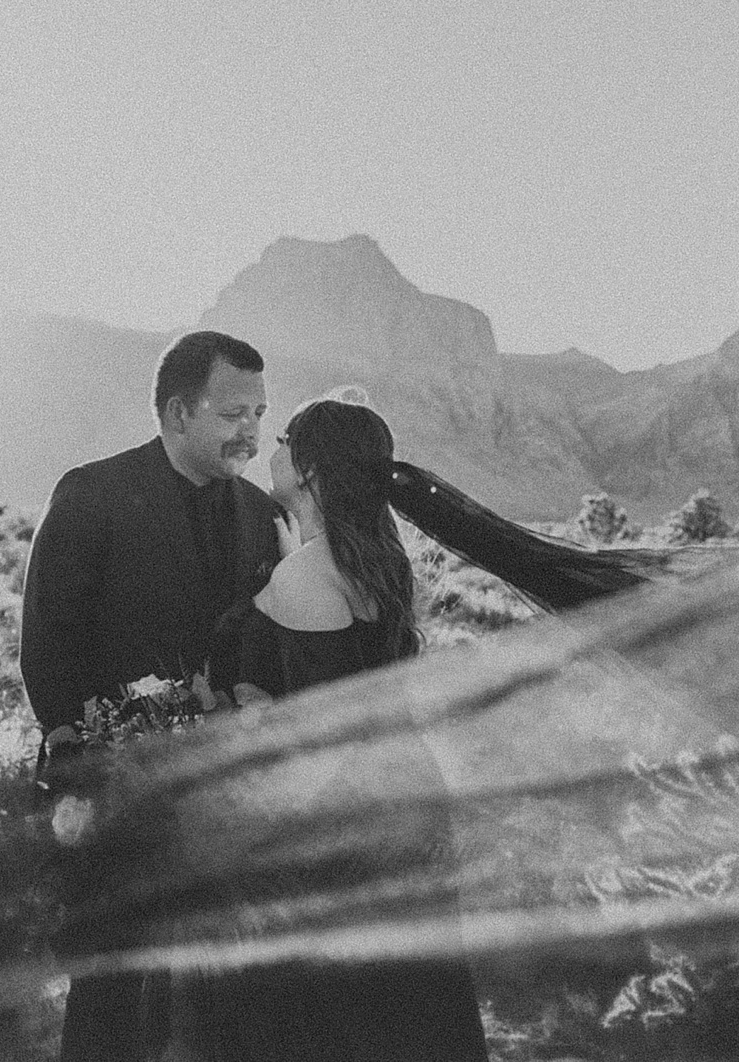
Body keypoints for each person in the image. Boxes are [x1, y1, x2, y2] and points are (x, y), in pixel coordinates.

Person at [184, 395, 493, 1062]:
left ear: (312, 471)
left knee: (329, 1021)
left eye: (286, 436)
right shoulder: (379, 560)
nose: (271, 443)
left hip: (336, 822)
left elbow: (321, 733)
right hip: (405, 799)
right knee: (409, 1015)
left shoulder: (304, 575)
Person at [20, 329, 283, 1062]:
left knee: (209, 992)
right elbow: (48, 638)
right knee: (110, 985)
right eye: (234, 413)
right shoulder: (91, 494)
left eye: (259, 412)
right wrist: (77, 753)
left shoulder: (264, 516)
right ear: (176, 412)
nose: (252, 431)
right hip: (115, 798)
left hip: (223, 801)